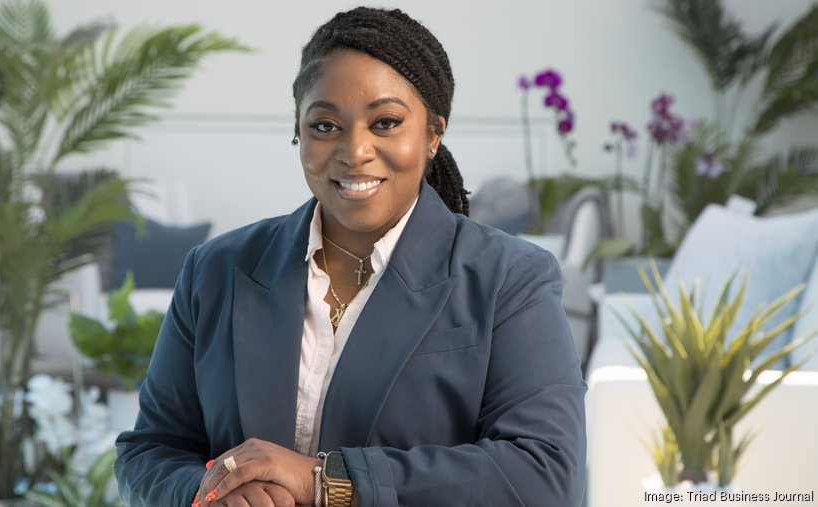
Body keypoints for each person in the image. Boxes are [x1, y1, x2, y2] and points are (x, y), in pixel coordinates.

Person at [115, 6, 586, 507]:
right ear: (298, 131)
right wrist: (213, 493)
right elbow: (151, 450)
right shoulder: (215, 271)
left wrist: (327, 480)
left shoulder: (509, 278)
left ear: (432, 134)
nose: (354, 151)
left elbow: (546, 472)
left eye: (385, 123)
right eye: (325, 125)